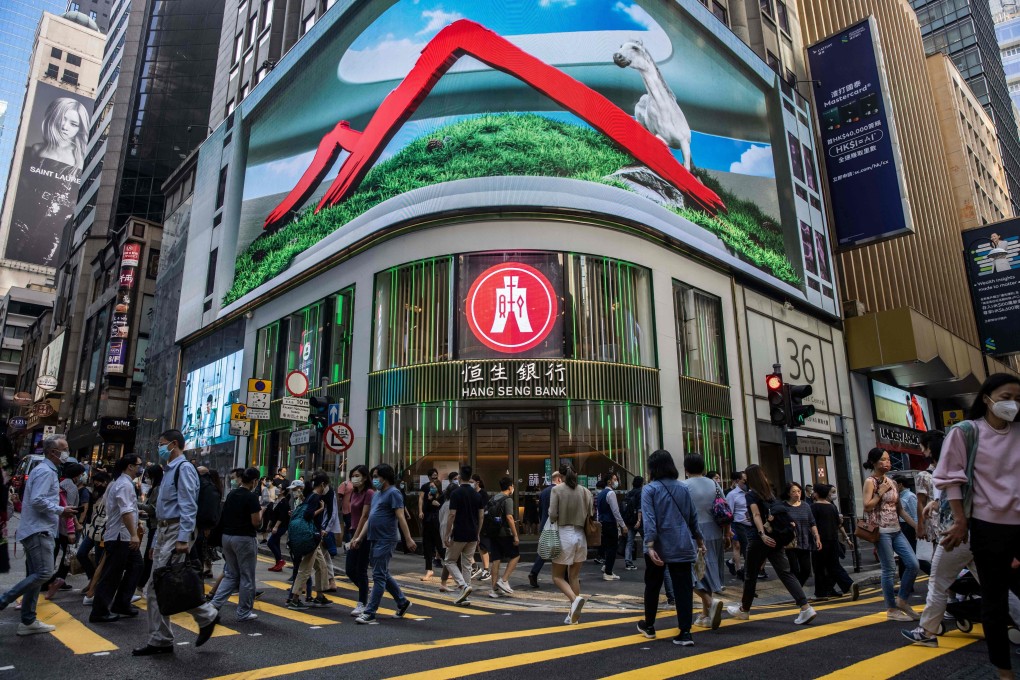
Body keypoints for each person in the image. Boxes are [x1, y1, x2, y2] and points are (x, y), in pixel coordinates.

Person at [931, 373, 1020, 678]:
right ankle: (1004, 672)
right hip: (988, 528)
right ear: (986, 398)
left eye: (1018, 399)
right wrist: (960, 521)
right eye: (1006, 397)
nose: (1013, 404)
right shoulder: (967, 432)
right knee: (994, 601)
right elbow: (951, 478)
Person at [133, 429, 219, 656]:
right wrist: (155, 542)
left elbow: (188, 505)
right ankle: (165, 636)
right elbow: (163, 509)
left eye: (161, 443)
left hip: (176, 529)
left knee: (164, 583)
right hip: (164, 530)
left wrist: (183, 538)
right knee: (161, 584)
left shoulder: (184, 469)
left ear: (174, 443)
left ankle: (202, 617)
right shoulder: (169, 470)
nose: (159, 447)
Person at [638, 450, 718, 646]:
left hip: (658, 546)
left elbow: (649, 519)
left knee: (653, 586)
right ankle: (685, 632)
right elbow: (692, 516)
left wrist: (650, 545)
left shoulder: (649, 490)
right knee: (683, 589)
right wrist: (700, 540)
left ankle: (649, 626)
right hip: (682, 544)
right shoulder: (683, 488)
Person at [0, 436, 78, 635]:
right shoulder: (46, 472)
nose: (67, 453)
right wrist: (61, 510)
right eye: (65, 449)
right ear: (53, 452)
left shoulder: (46, 470)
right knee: (44, 573)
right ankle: (4, 600)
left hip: (36, 529)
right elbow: (37, 500)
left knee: (34, 577)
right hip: (39, 530)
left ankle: (28, 621)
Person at [726, 464, 817, 625]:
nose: (744, 478)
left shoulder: (751, 494)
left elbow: (756, 515)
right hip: (776, 538)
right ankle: (806, 607)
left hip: (759, 539)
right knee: (786, 573)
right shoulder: (769, 493)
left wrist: (761, 534)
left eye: (746, 475)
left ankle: (744, 609)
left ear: (750, 477)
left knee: (750, 574)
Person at [352, 463, 416, 624]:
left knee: (378, 576)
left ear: (385, 478)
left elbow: (400, 516)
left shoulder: (394, 493)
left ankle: (370, 612)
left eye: (376, 477)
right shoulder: (376, 494)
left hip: (386, 539)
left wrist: (408, 538)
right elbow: (370, 518)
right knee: (382, 573)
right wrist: (359, 537)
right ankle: (402, 602)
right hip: (374, 538)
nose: (374, 480)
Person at [861, 448, 920, 622]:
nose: (887, 462)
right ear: (873, 462)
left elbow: (900, 510)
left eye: (888, 459)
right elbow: (867, 506)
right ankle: (891, 609)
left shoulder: (893, 482)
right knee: (889, 569)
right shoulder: (870, 482)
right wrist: (880, 492)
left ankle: (902, 600)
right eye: (883, 459)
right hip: (881, 531)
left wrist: (917, 527)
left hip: (897, 529)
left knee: (913, 564)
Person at [91, 454, 145, 623]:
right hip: (120, 536)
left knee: (136, 565)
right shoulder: (124, 485)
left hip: (123, 536)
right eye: (138, 465)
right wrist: (134, 534)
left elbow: (127, 509)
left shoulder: (124, 483)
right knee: (112, 574)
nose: (140, 468)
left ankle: (121, 603)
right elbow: (125, 511)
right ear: (130, 466)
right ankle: (99, 611)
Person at [209, 467, 262, 622]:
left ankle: (213, 606)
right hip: (244, 539)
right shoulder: (251, 497)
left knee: (231, 574)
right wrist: (262, 516)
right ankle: (244, 612)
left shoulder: (232, 494)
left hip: (227, 537)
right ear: (254, 481)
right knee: (247, 576)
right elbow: (256, 522)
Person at [548, 463, 592, 625]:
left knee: (557, 576)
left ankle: (574, 599)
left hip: (564, 534)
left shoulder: (557, 490)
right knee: (574, 576)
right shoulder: (585, 491)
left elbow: (552, 514)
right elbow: (591, 513)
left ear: (560, 476)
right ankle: (573, 615)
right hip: (581, 535)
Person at [285, 473, 333, 610]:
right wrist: (321, 509)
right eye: (327, 485)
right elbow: (308, 515)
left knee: (322, 566)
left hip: (314, 536)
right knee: (305, 569)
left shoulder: (310, 496)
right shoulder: (315, 497)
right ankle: (295, 598)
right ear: (322, 484)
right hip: (311, 537)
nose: (327, 488)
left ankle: (320, 596)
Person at [682, 454, 727, 598]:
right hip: (715, 530)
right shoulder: (714, 484)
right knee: (711, 567)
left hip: (693, 532)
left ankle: (709, 602)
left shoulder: (684, 485)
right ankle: (708, 606)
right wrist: (727, 532)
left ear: (686, 468)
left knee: (696, 571)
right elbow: (725, 506)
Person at [809, 483, 858, 601]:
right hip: (833, 540)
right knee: (834, 566)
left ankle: (820, 593)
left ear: (817, 494)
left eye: (814, 491)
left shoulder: (814, 507)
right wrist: (846, 538)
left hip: (820, 541)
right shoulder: (832, 507)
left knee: (819, 567)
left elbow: (811, 524)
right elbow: (838, 524)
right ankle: (849, 584)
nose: (813, 493)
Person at [444, 465, 482, 605]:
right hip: (473, 533)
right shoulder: (477, 494)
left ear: (460, 476)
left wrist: (447, 534)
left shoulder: (456, 493)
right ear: (470, 477)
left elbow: (452, 515)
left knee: (449, 560)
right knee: (466, 564)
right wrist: (478, 533)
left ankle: (463, 586)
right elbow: (481, 516)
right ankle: (465, 595)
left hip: (459, 532)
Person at [344, 466, 374, 615]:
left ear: (365, 477)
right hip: (353, 531)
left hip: (364, 534)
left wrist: (357, 537)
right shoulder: (354, 492)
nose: (354, 478)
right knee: (350, 569)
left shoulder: (369, 493)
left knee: (361, 569)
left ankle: (362, 602)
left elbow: (365, 516)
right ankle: (366, 590)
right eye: (352, 476)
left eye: (357, 475)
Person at [486, 476, 521, 599]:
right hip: (504, 533)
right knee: (516, 556)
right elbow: (509, 517)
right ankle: (504, 580)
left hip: (493, 532)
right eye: (513, 486)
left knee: (496, 559)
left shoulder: (493, 498)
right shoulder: (508, 500)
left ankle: (494, 589)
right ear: (510, 487)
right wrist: (515, 535)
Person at [781, 481, 820, 588]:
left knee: (806, 570)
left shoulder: (806, 506)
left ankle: (796, 589)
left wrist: (817, 537)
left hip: (805, 541)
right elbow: (779, 522)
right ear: (788, 493)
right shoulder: (783, 506)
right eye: (793, 491)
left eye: (799, 491)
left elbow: (812, 523)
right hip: (791, 542)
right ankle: (797, 592)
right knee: (794, 570)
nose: (797, 494)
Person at [78, 471, 111, 595]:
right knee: (81, 553)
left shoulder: (110, 494)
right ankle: (92, 579)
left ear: (105, 482)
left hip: (103, 530)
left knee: (99, 560)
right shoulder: (96, 494)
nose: (96, 486)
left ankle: (95, 585)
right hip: (93, 528)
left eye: (98, 483)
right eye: (95, 483)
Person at [529, 471, 563, 588]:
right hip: (555, 524)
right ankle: (565, 577)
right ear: (559, 479)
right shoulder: (559, 490)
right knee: (559, 548)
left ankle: (534, 572)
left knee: (545, 549)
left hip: (545, 524)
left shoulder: (544, 492)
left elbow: (540, 509)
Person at [595, 471, 627, 581]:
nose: (616, 481)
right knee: (612, 547)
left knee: (608, 546)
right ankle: (608, 572)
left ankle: (607, 567)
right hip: (610, 523)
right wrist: (623, 525)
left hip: (603, 523)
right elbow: (615, 511)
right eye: (615, 479)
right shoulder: (611, 493)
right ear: (609, 482)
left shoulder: (601, 494)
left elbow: (598, 511)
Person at [915, 430, 945, 545]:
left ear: (929, 447)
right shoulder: (924, 476)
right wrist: (920, 526)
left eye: (922, 447)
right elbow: (921, 502)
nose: (922, 451)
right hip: (935, 524)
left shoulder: (950, 470)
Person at [726, 470, 752, 580]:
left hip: (750, 525)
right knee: (738, 546)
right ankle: (739, 569)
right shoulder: (732, 495)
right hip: (737, 524)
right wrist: (728, 530)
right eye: (744, 481)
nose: (746, 483)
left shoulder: (751, 493)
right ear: (738, 481)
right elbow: (729, 512)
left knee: (747, 547)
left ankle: (731, 562)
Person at [418, 469, 443, 580]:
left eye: (436, 476)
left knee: (440, 546)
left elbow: (444, 509)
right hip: (428, 522)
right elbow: (421, 500)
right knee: (427, 546)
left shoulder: (442, 496)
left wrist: (437, 503)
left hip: (438, 524)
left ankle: (450, 569)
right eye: (432, 476)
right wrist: (423, 508)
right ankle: (429, 570)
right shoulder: (427, 492)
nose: (431, 488)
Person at [470, 474, 491, 582]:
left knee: (482, 546)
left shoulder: (483, 494)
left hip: (482, 523)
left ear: (477, 482)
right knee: (469, 546)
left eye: (471, 482)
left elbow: (483, 512)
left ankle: (486, 570)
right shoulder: (471, 493)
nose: (470, 484)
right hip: (473, 522)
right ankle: (475, 567)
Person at [266, 483, 292, 572]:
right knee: (276, 543)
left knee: (270, 543)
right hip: (274, 525)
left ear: (283, 491)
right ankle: (278, 565)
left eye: (279, 487)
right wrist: (269, 525)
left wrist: (276, 527)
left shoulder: (284, 502)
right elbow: (272, 515)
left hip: (281, 526)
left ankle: (280, 560)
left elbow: (282, 516)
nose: (277, 488)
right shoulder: (277, 500)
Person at [622, 476, 643, 571]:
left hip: (629, 521)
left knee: (629, 541)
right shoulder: (640, 493)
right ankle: (650, 560)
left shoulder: (629, 493)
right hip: (639, 521)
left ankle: (628, 561)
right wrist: (639, 520)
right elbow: (640, 508)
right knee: (646, 540)